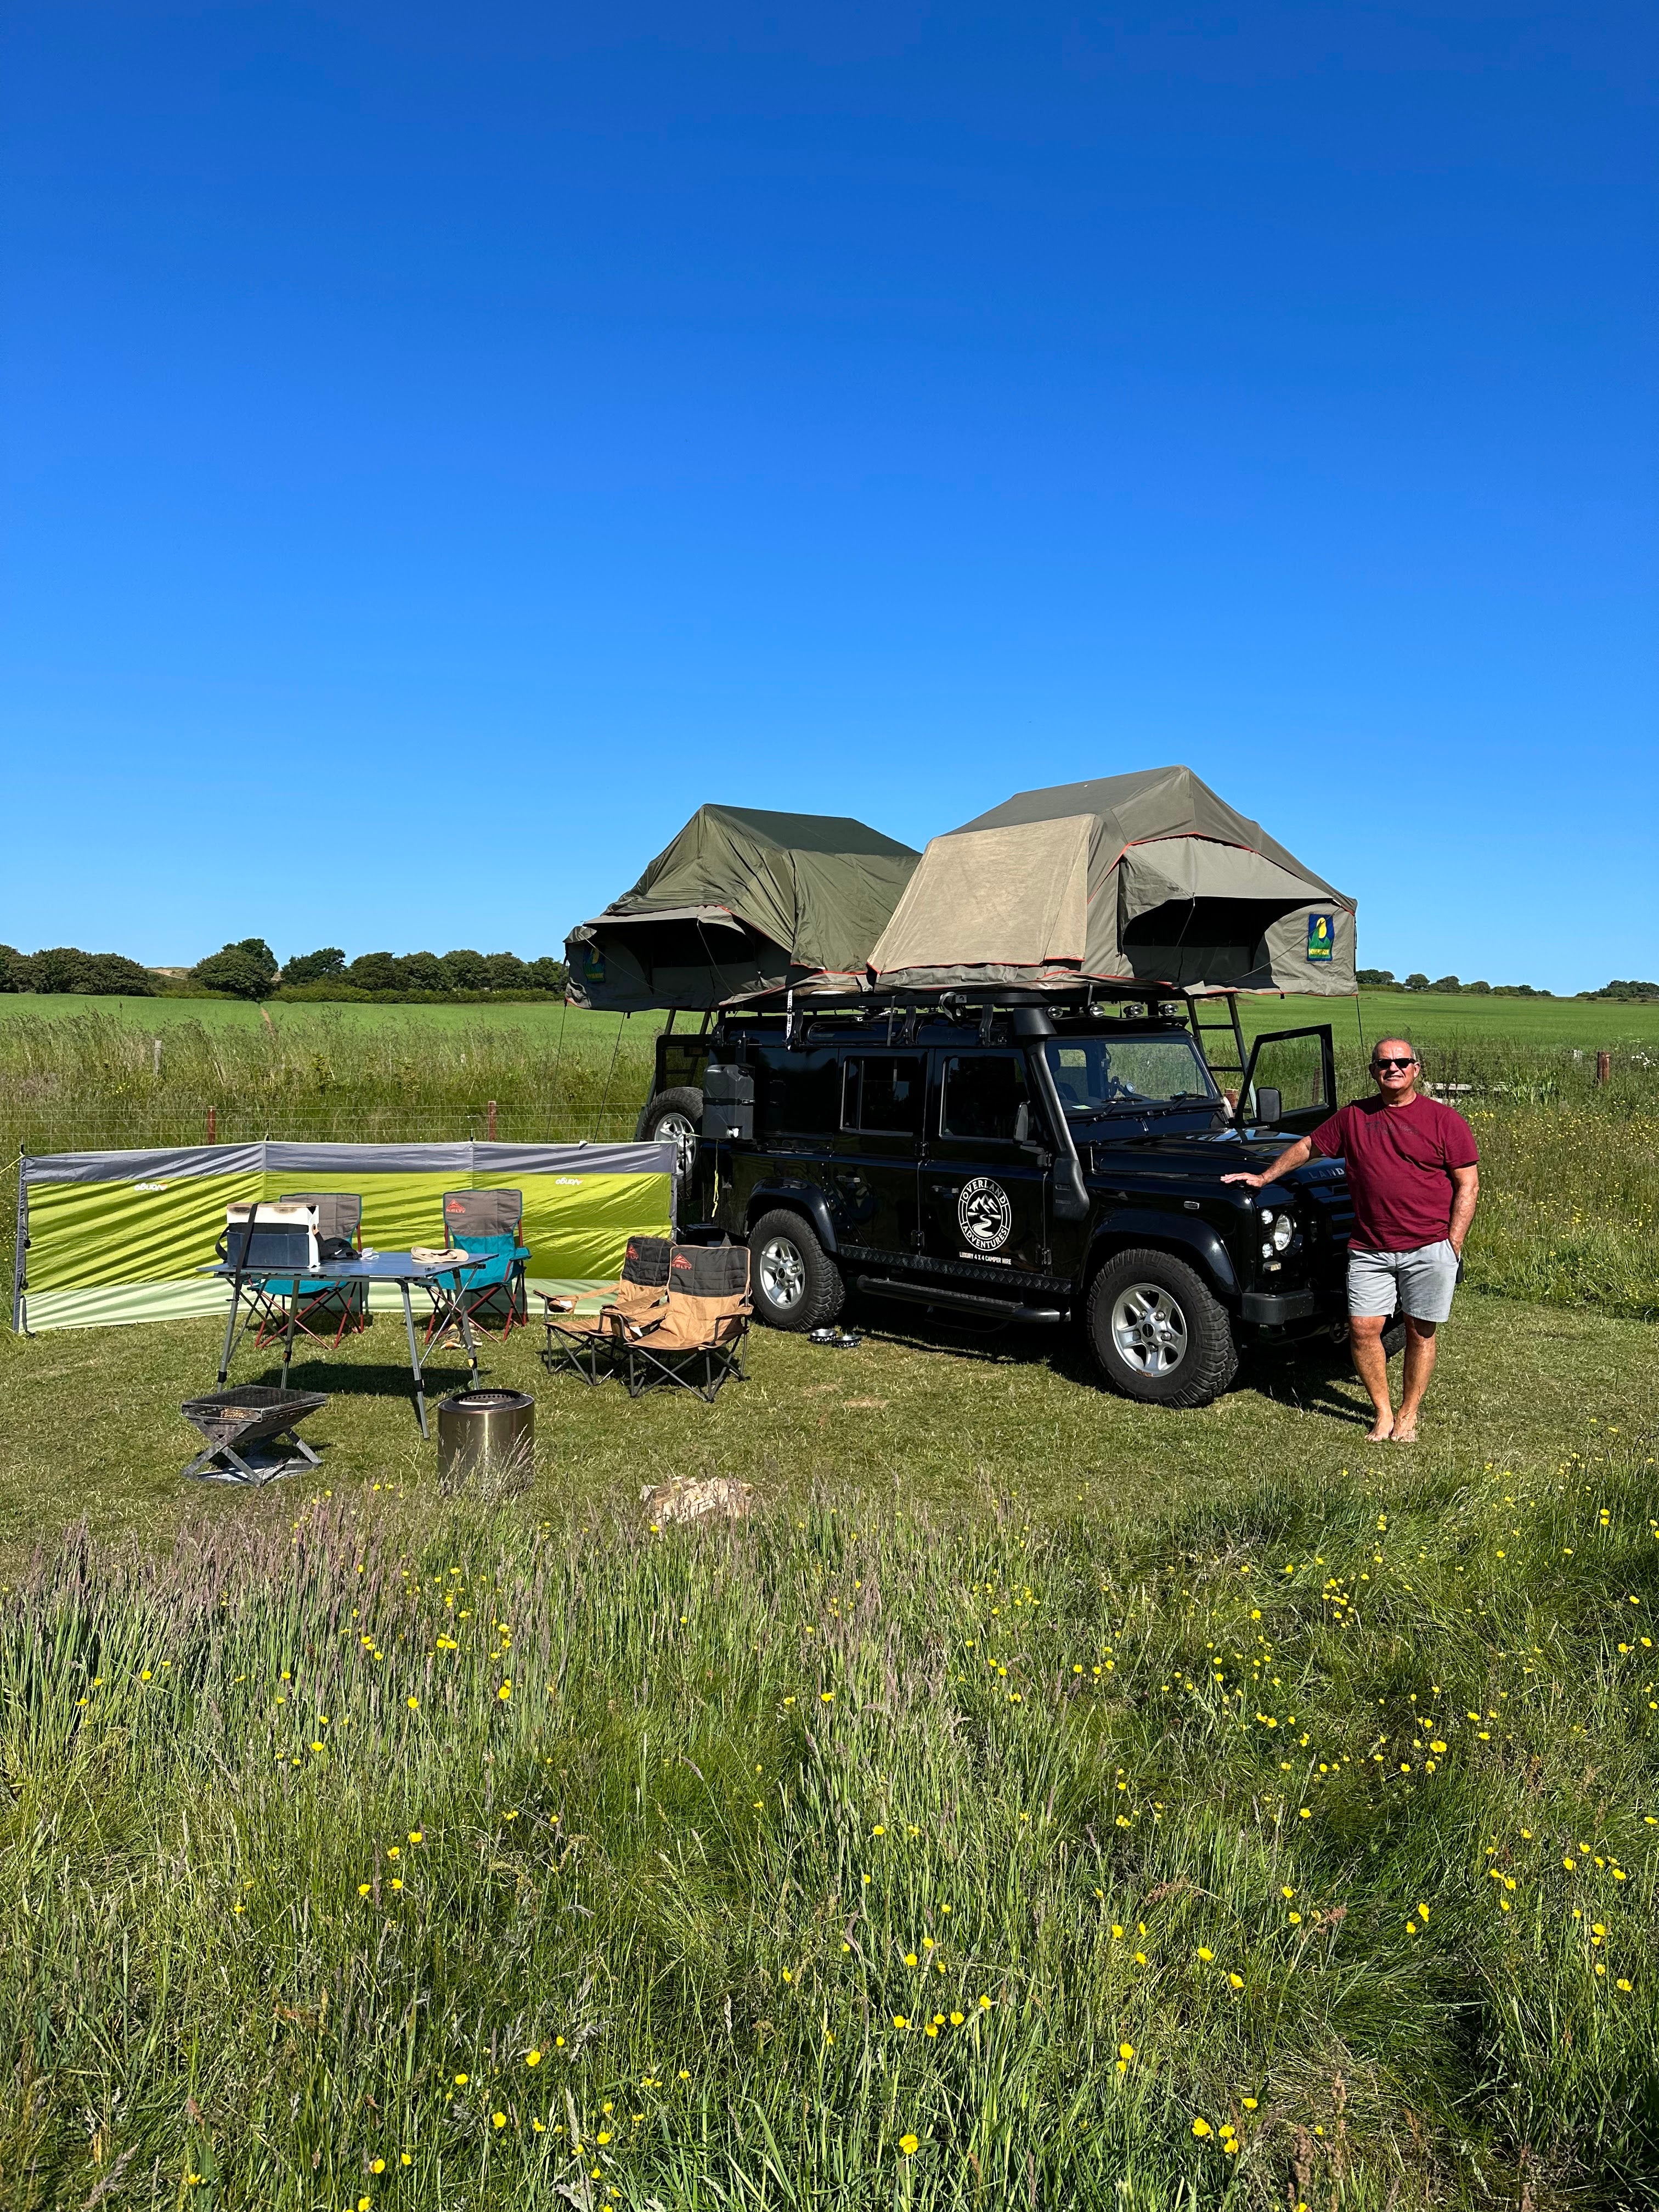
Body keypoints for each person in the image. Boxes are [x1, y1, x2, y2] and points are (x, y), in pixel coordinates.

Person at [1222, 1037, 1479, 1442]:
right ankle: (1383, 1413)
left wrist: (1453, 1244)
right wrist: (1264, 1177)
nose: (1392, 1069)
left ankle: (1409, 1414)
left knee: (1420, 1331)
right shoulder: (1354, 1117)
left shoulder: (1444, 1121)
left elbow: (1468, 1184)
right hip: (1369, 1248)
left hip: (1428, 1246)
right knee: (1362, 1329)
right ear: (1373, 1071)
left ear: (1416, 1069)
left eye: (1401, 1062)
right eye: (1383, 1064)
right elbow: (1307, 1146)